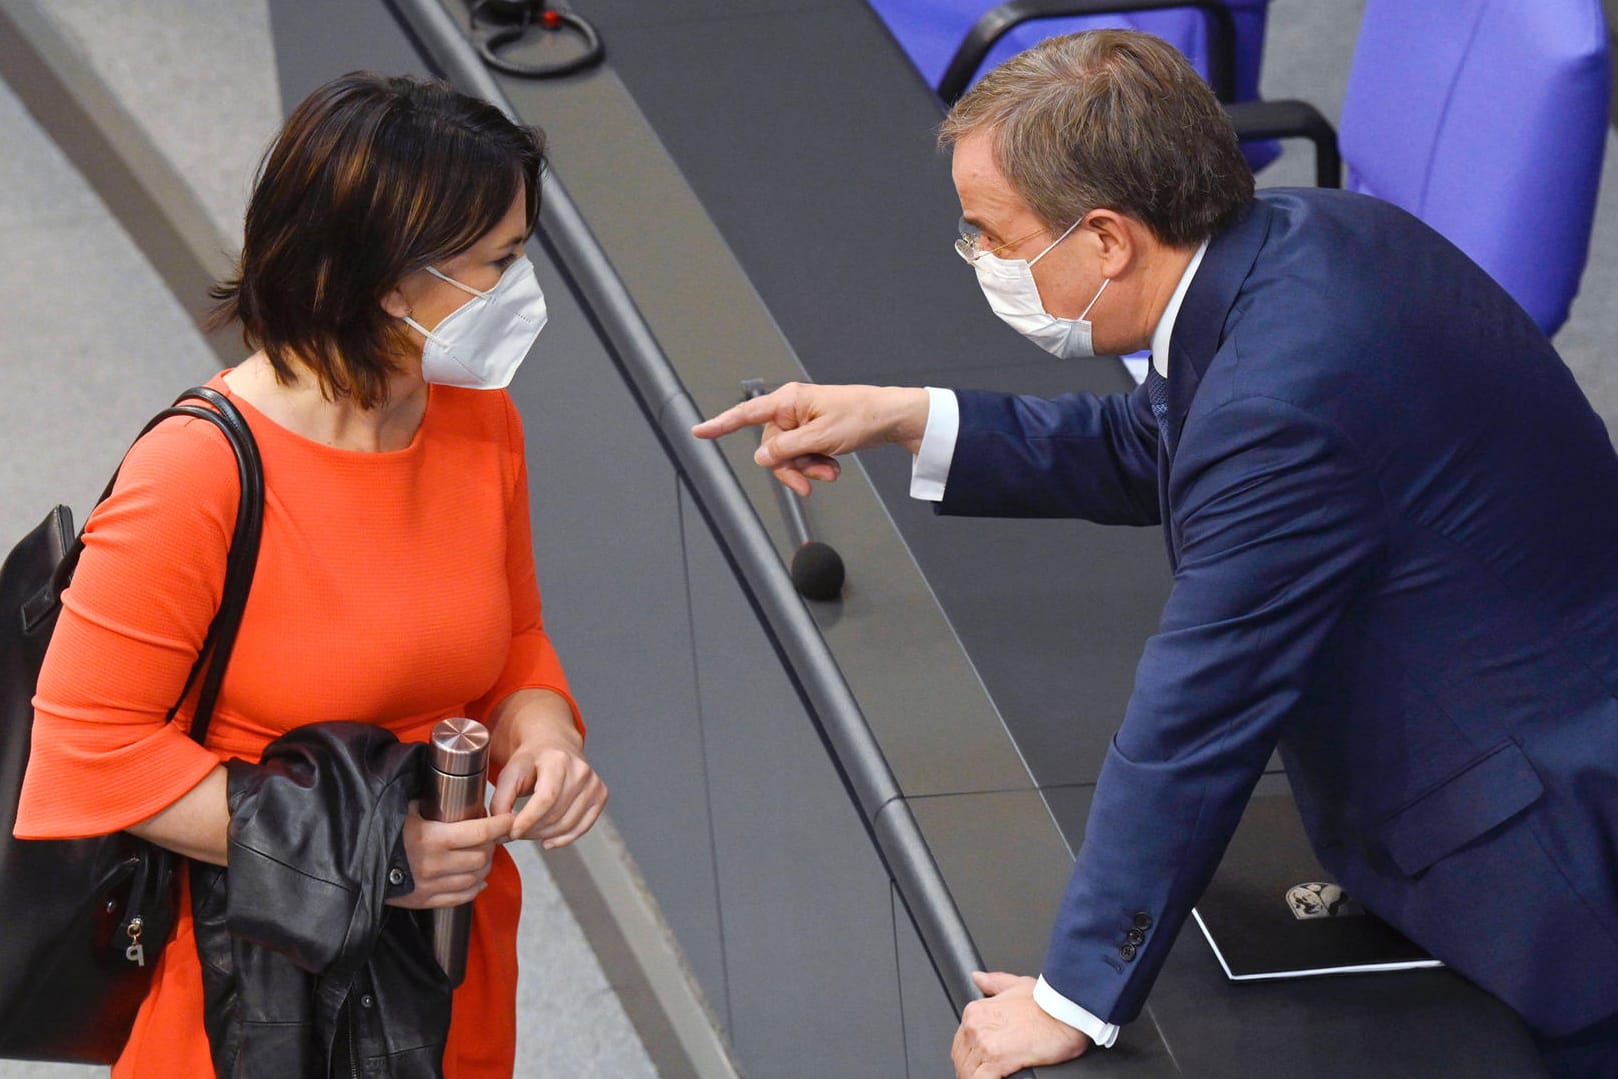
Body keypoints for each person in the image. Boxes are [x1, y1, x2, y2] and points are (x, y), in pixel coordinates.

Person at [693, 29, 1618, 1079]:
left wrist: (1073, 993)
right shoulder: (1305, 239)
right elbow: (1162, 441)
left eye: (992, 236)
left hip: (1541, 851)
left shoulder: (1284, 398)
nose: (979, 261)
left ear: (1105, 239)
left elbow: (1196, 712)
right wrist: (909, 416)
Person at [13, 72, 606, 1077]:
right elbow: (87, 753)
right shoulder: (196, 473)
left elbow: (509, 641)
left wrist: (543, 730)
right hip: (258, 984)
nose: (520, 291)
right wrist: (372, 855)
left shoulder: (477, 419)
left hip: (448, 954)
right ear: (386, 280)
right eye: (497, 264)